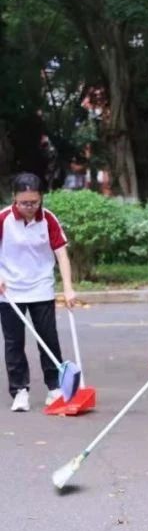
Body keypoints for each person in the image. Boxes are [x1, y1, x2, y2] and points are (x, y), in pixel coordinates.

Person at [0, 172, 77, 412]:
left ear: (41, 197)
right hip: (10, 290)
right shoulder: (3, 218)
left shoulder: (48, 219)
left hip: (41, 287)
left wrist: (68, 288)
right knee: (14, 343)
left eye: (34, 202)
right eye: (24, 203)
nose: (29, 207)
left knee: (48, 339)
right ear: (14, 198)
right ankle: (19, 391)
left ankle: (55, 387)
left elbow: (61, 254)